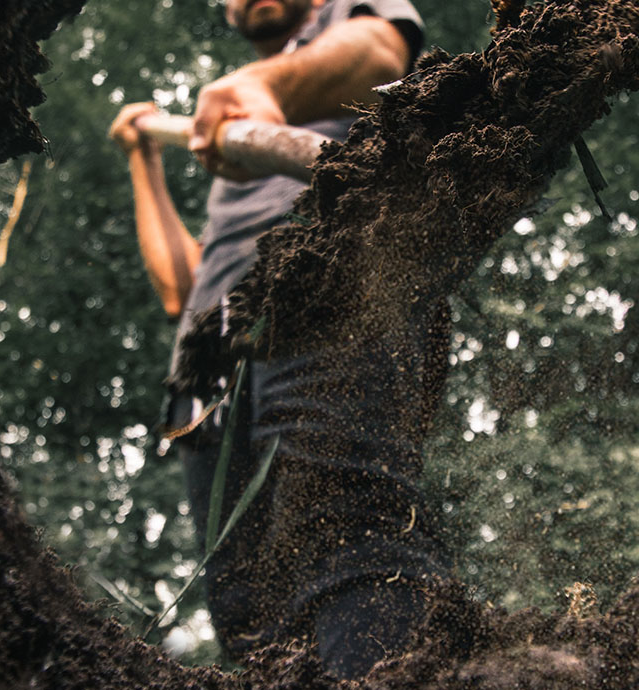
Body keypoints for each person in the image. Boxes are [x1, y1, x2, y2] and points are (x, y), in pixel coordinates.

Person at [108, 0, 448, 679]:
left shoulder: (340, 27)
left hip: (332, 276)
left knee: (347, 520)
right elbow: (183, 287)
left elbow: (381, 50)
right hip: (209, 357)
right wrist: (144, 157)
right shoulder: (235, 120)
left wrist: (272, 88)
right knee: (242, 593)